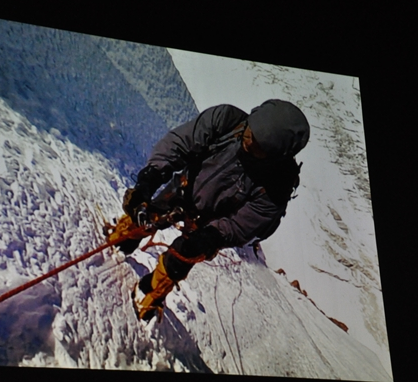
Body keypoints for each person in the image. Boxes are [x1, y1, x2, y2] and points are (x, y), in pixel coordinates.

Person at [122, 99, 310, 321]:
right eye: (249, 132)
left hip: (210, 223)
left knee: (182, 256)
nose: (248, 141)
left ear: (276, 155)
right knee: (148, 213)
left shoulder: (278, 187)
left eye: (258, 145)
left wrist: (212, 237)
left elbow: (246, 222)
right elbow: (181, 142)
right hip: (185, 187)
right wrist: (150, 178)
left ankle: (150, 293)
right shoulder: (227, 122)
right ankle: (124, 239)